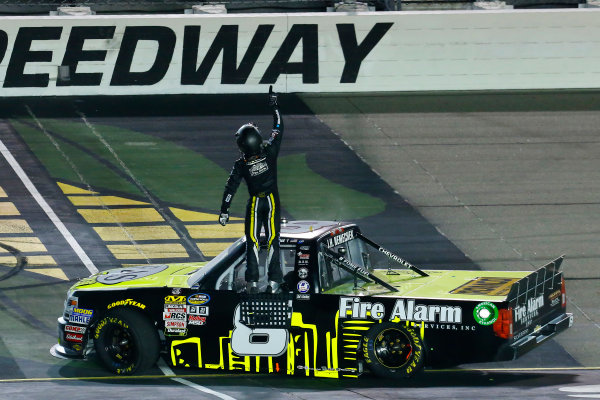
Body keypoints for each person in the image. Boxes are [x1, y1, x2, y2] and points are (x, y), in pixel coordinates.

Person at [219, 86, 283, 294]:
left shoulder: (241, 165)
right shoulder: (270, 151)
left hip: (256, 202)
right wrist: (274, 107)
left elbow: (231, 187)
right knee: (273, 240)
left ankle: (252, 283)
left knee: (253, 242)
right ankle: (274, 282)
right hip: (272, 200)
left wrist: (224, 210)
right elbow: (279, 126)